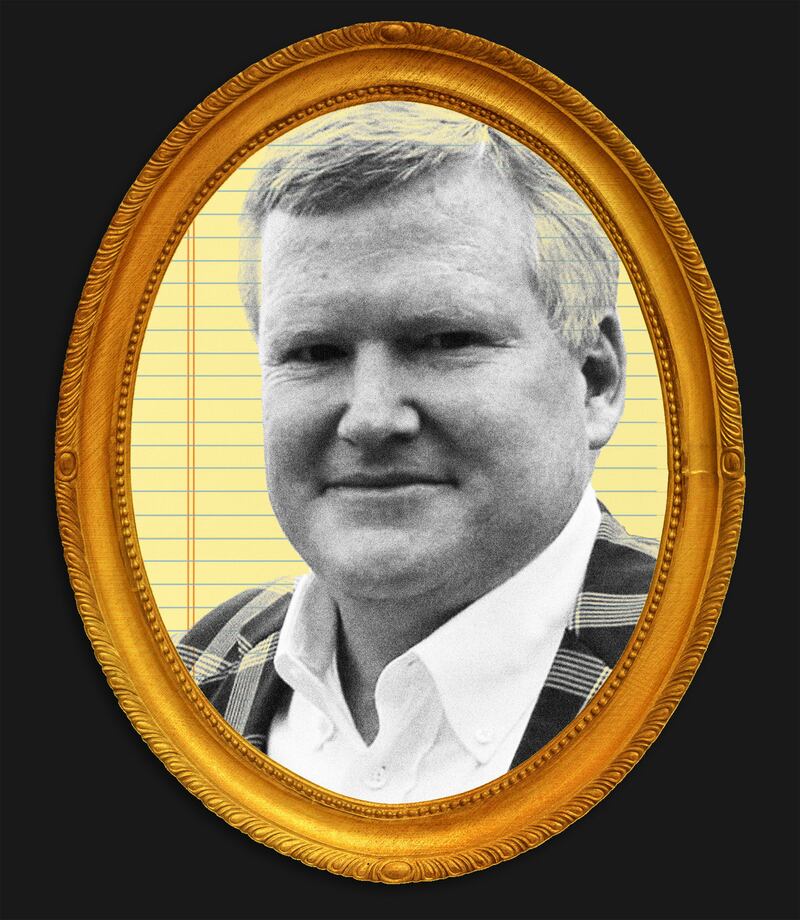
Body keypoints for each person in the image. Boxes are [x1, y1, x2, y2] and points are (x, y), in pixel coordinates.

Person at [177, 102, 658, 803]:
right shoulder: (200, 673)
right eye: (314, 352)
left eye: (444, 340)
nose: (371, 418)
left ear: (595, 379)